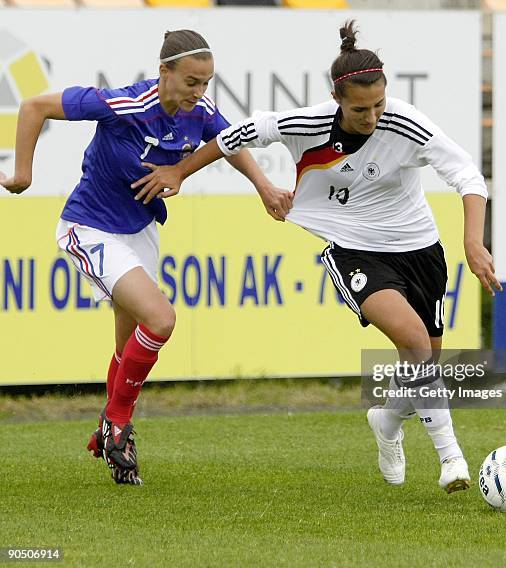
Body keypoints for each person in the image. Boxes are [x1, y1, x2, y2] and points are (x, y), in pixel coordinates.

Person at [131, 21, 502, 492]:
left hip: (421, 250)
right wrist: (180, 171)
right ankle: (452, 459)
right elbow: (234, 136)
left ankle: (387, 423)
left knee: (423, 360)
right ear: (338, 99)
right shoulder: (307, 123)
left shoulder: (406, 122)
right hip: (355, 251)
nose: (371, 118)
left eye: (379, 106)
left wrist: (473, 242)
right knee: (412, 340)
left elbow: (468, 176)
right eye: (360, 109)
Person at [0, 29, 292, 486]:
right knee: (161, 320)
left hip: (140, 232)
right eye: (192, 82)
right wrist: (23, 173)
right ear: (164, 72)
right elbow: (36, 105)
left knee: (128, 344)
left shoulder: (200, 112)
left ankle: (111, 425)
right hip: (89, 227)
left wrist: (265, 187)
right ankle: (117, 425)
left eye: (206, 82)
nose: (200, 92)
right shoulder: (123, 105)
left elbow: (230, 142)